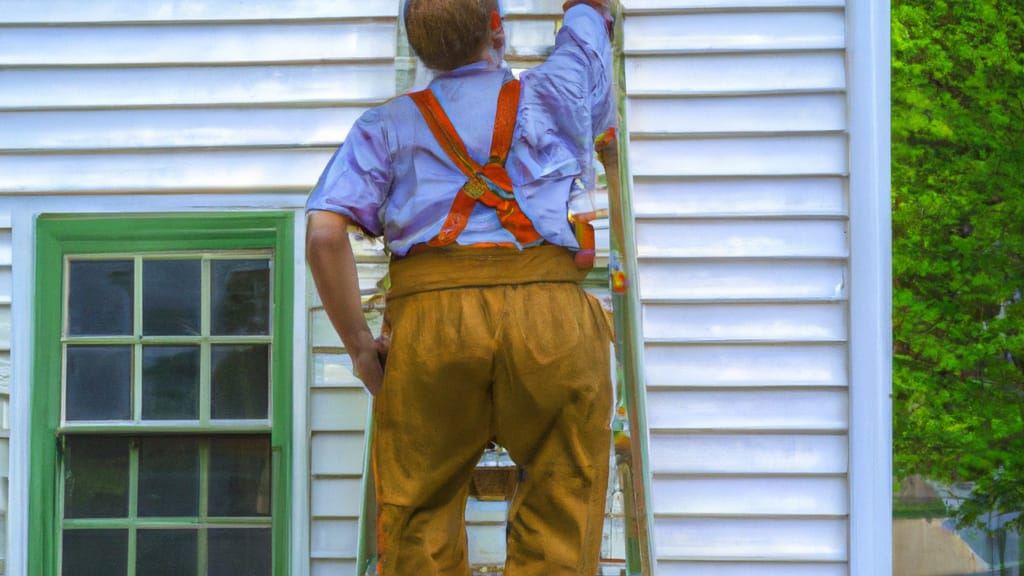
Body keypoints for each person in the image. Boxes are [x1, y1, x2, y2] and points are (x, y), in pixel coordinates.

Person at [305, 0, 617, 573]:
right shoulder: (556, 93)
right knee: (563, 500)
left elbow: (325, 235)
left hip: (430, 327)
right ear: (496, 28)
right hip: (551, 316)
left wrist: (358, 349)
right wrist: (585, 11)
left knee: (418, 514)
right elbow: (586, 40)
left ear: (419, 50)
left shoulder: (384, 125)